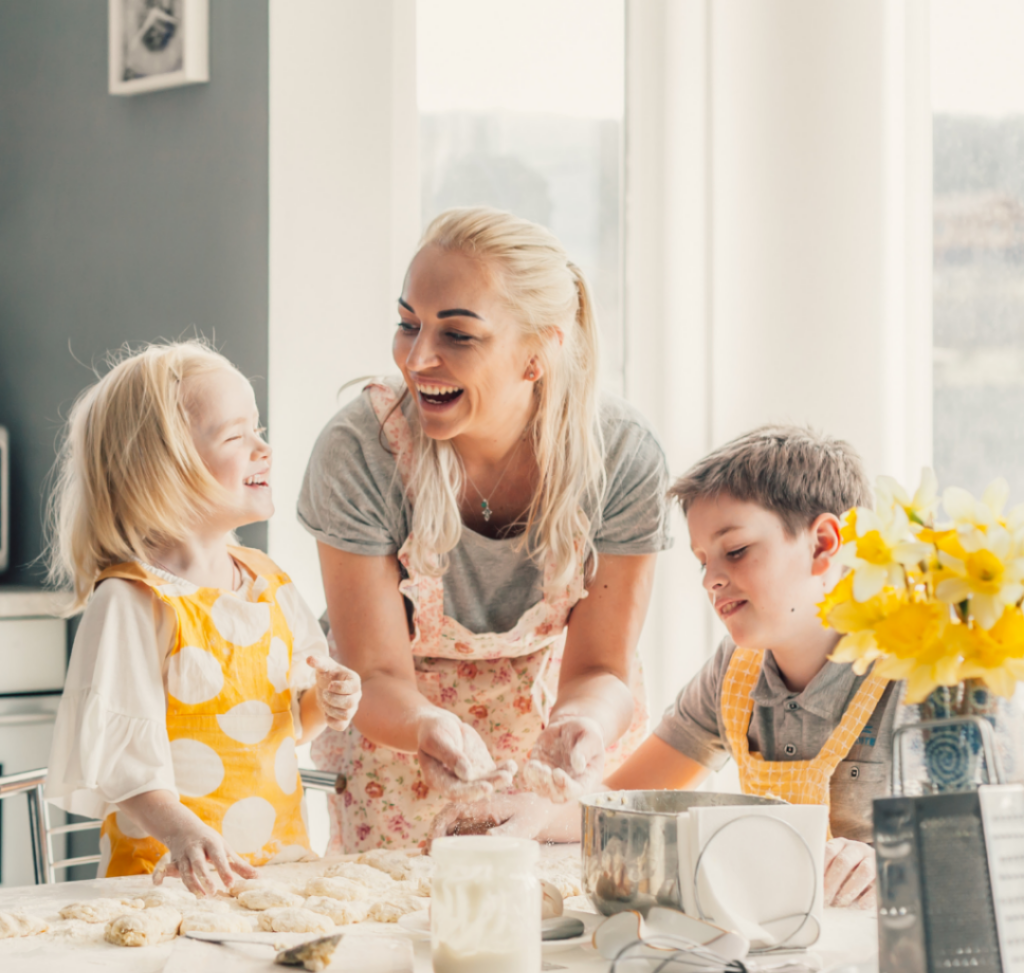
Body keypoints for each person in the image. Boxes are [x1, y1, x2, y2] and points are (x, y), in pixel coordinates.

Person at [298, 207, 672, 851]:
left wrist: (584, 721)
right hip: (399, 746)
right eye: (408, 324)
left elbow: (603, 667)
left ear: (538, 353)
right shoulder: (361, 450)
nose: (417, 359)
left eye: (458, 335)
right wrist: (425, 728)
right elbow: (374, 671)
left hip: (550, 759)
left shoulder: (621, 455)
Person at [440, 425, 899, 908]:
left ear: (824, 544)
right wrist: (534, 814)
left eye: (736, 550)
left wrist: (889, 863)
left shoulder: (919, 671)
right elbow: (628, 800)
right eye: (702, 561)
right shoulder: (735, 671)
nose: (711, 580)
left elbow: (978, 847)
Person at [45, 341, 361, 896]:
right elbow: (120, 764)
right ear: (162, 470)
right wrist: (184, 835)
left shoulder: (270, 583)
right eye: (236, 436)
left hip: (272, 876)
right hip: (164, 883)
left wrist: (324, 702)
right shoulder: (132, 600)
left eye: (257, 428)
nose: (263, 448)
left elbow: (286, 726)